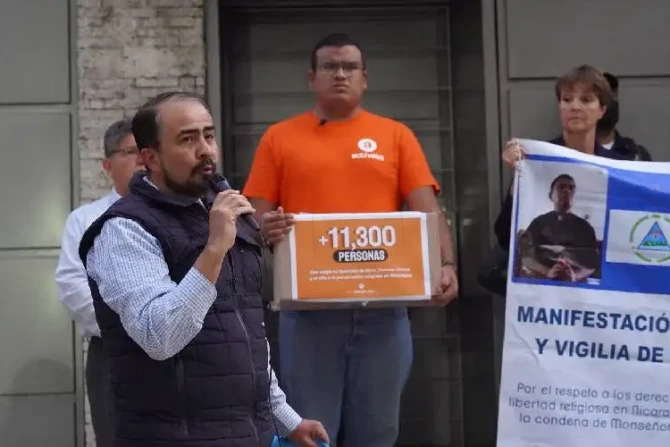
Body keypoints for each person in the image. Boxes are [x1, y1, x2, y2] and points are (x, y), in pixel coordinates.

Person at [243, 33, 459, 446]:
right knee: (310, 431)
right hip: (308, 313)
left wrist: (446, 264)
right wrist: (265, 227)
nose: (340, 74)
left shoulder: (395, 136)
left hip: (383, 311)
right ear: (312, 77)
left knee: (377, 432)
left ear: (365, 78)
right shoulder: (279, 138)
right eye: (329, 66)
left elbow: (428, 210)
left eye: (349, 67)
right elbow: (253, 217)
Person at [78, 92, 328, 447]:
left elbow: (243, 336)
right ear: (150, 158)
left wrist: (287, 420)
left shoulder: (223, 214)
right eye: (187, 140)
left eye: (208, 136)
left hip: (248, 434)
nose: (205, 150)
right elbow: (159, 337)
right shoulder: (124, 229)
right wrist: (214, 249)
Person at [55, 118, 142, 447]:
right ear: (107, 165)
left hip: (174, 350)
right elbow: (72, 285)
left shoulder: (175, 213)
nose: (141, 161)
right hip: (112, 349)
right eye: (130, 152)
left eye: (146, 152)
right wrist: (132, 325)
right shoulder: (85, 220)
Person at [495, 65, 631, 252]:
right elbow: (505, 236)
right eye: (567, 99)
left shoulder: (618, 167)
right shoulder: (535, 162)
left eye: (586, 99)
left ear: (602, 110)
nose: (575, 106)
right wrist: (519, 180)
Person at [517, 174, 599, 282]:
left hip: (573, 282)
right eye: (561, 187)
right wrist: (547, 272)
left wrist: (575, 275)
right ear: (551, 195)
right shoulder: (538, 223)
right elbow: (526, 257)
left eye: (571, 188)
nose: (567, 191)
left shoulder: (585, 227)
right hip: (543, 280)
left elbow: (592, 264)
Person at [596, 72, 653, 161]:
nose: (608, 102)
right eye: (601, 96)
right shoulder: (574, 152)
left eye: (612, 95)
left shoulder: (637, 155)